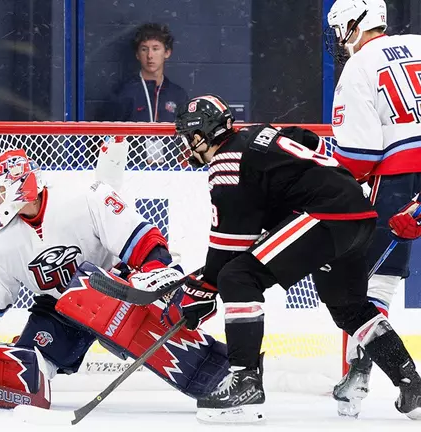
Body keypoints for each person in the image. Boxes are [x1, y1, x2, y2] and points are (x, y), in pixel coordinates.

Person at [170, 94, 421, 423]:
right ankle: (412, 386)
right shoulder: (258, 133)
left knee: (237, 277)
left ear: (203, 135)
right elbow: (307, 138)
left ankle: (245, 384)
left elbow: (229, 248)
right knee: (348, 306)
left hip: (325, 215)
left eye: (189, 138)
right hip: (357, 213)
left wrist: (203, 288)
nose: (187, 146)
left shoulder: (227, 161)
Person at [0, 149, 229, 407]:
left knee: (98, 298)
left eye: (0, 190)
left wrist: (155, 270)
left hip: (113, 289)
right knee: (21, 378)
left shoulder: (82, 198)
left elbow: (142, 240)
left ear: (23, 184)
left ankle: (224, 373)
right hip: (56, 309)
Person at [325, 0, 421, 417]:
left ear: (353, 24)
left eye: (338, 30)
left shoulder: (359, 66)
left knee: (372, 282)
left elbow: (360, 156)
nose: (337, 40)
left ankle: (359, 376)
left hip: (399, 180)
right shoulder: (419, 43)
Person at [113, 23, 188, 165]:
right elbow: (110, 140)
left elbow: (188, 139)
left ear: (167, 52)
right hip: (133, 172)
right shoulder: (125, 93)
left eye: (155, 49)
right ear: (137, 54)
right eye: (144, 49)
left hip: (171, 173)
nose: (150, 56)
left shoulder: (178, 95)